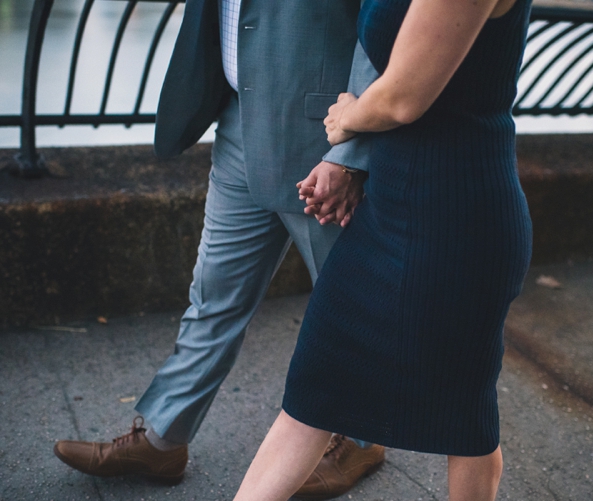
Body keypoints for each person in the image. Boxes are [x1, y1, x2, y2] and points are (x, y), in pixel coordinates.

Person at [53, 0, 386, 498]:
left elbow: (379, 30)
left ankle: (362, 438)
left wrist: (351, 152)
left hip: (321, 142)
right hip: (239, 125)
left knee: (347, 307)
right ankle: (163, 440)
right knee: (213, 295)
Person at [233, 0, 534, 499]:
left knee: (466, 418)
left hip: (456, 220)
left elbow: (402, 98)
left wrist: (350, 115)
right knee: (311, 393)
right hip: (387, 209)